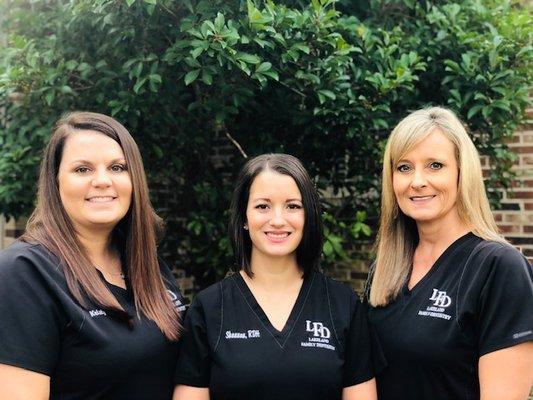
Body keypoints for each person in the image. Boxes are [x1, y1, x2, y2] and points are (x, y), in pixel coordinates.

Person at [0, 112, 185, 399]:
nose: (102, 181)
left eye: (117, 167)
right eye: (82, 170)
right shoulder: (25, 273)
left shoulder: (149, 267)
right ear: (55, 181)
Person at [173, 154, 382, 400]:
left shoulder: (343, 304)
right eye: (263, 206)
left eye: (293, 206)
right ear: (243, 218)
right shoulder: (208, 309)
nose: (278, 220)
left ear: (308, 216)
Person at [367, 106, 533, 400]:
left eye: (435, 165)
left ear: (461, 172)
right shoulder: (386, 269)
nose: (417, 181)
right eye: (404, 167)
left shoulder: (499, 267)